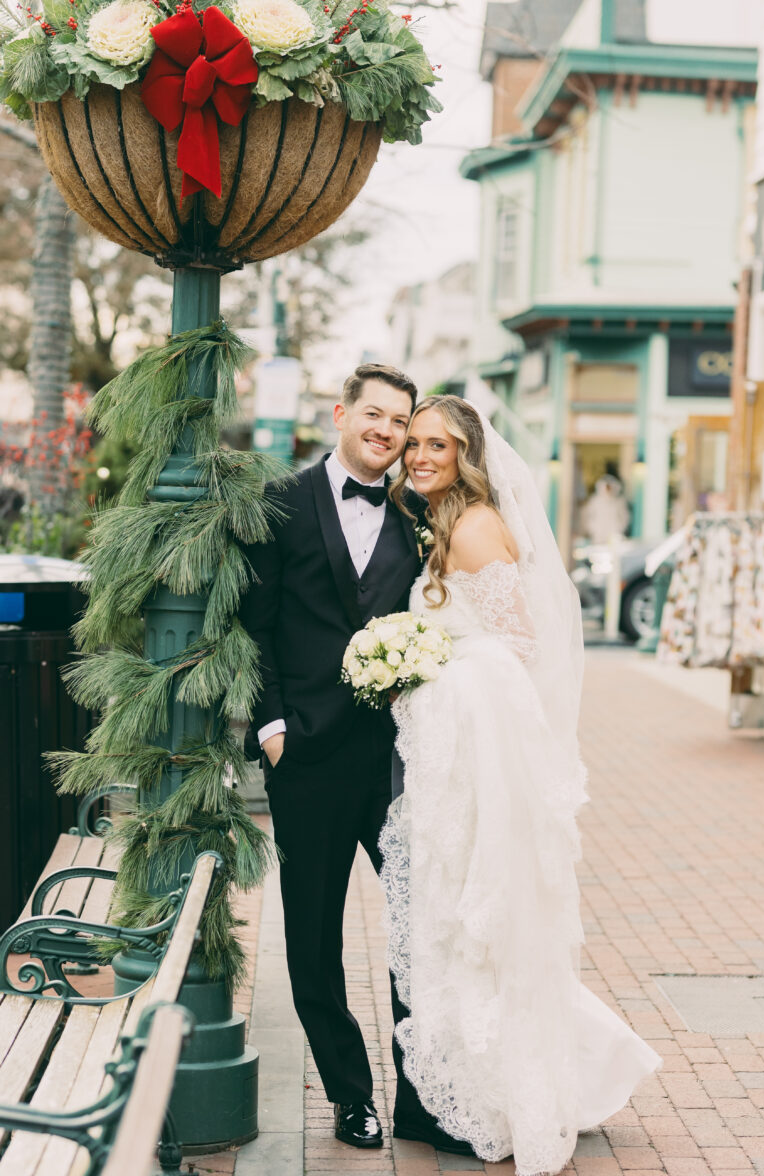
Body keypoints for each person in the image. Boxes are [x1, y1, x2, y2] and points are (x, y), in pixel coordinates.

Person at [380, 396, 662, 1172]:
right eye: (415, 444)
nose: (421, 456)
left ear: (467, 452)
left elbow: (517, 641)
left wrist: (428, 662)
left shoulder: (470, 526)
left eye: (438, 445)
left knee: (477, 908)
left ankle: (506, 1090)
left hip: (477, 741)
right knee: (459, 907)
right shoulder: (442, 522)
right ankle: (493, 1077)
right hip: (453, 735)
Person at [240, 364, 464, 1154]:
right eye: (374, 414)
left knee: (416, 931)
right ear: (340, 413)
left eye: (399, 422)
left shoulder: (418, 516)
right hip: (305, 757)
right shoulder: (281, 503)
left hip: (398, 762)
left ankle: (421, 1101)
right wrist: (271, 729)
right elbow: (254, 624)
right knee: (312, 941)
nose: (386, 431)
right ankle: (350, 1097)